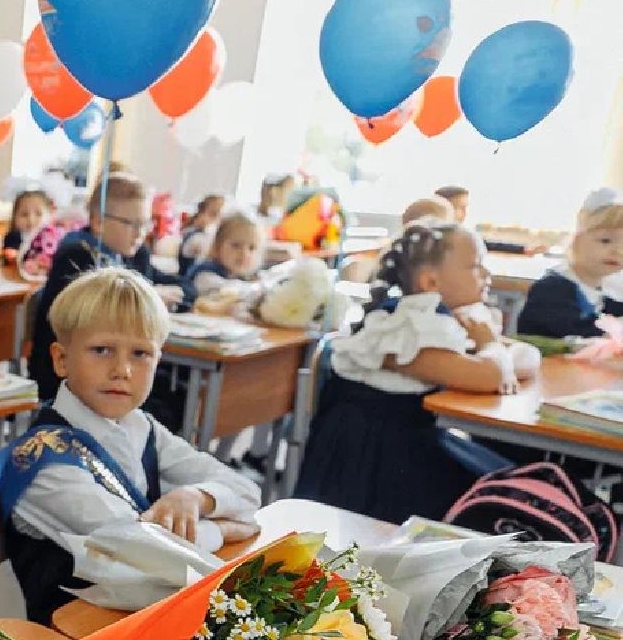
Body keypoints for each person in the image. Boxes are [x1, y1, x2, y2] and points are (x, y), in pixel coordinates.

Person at [0, 269, 261, 623]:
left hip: (148, 615)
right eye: (101, 350)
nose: (122, 370)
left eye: (140, 354)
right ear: (61, 359)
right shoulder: (44, 460)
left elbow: (247, 492)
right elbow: (143, 551)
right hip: (74, 638)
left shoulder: (141, 426)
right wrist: (221, 529)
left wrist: (195, 497)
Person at [295, 223, 539, 523]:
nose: (487, 275)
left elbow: (526, 358)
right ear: (431, 282)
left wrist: (495, 350)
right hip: (373, 463)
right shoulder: (408, 326)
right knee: (504, 501)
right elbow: (492, 376)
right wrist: (490, 344)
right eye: (475, 265)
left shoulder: (437, 320)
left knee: (516, 488)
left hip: (407, 447)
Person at [27, 173, 154, 401]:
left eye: (145, 224)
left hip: (113, 362)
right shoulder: (77, 255)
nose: (140, 233)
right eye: (131, 224)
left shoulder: (134, 253)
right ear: (98, 222)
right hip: (68, 374)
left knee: (172, 389)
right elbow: (89, 320)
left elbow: (169, 282)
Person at [518, 188, 623, 339]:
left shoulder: (608, 293)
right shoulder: (552, 288)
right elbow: (576, 333)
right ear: (577, 240)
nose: (618, 251)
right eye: (605, 241)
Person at [184, 210, 265, 303]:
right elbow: (227, 290)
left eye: (252, 248)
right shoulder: (205, 274)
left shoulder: (241, 276)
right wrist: (255, 288)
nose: (245, 253)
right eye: (236, 245)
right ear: (217, 246)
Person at [178, 194, 226, 274]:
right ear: (200, 215)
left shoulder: (214, 236)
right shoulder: (194, 236)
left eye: (221, 216)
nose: (218, 220)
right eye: (213, 214)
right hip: (191, 276)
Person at [2, 189, 55, 260]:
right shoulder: (13, 237)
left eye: (38, 214)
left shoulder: (53, 236)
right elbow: (11, 257)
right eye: (24, 215)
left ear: (50, 215)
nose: (31, 220)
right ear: (14, 217)